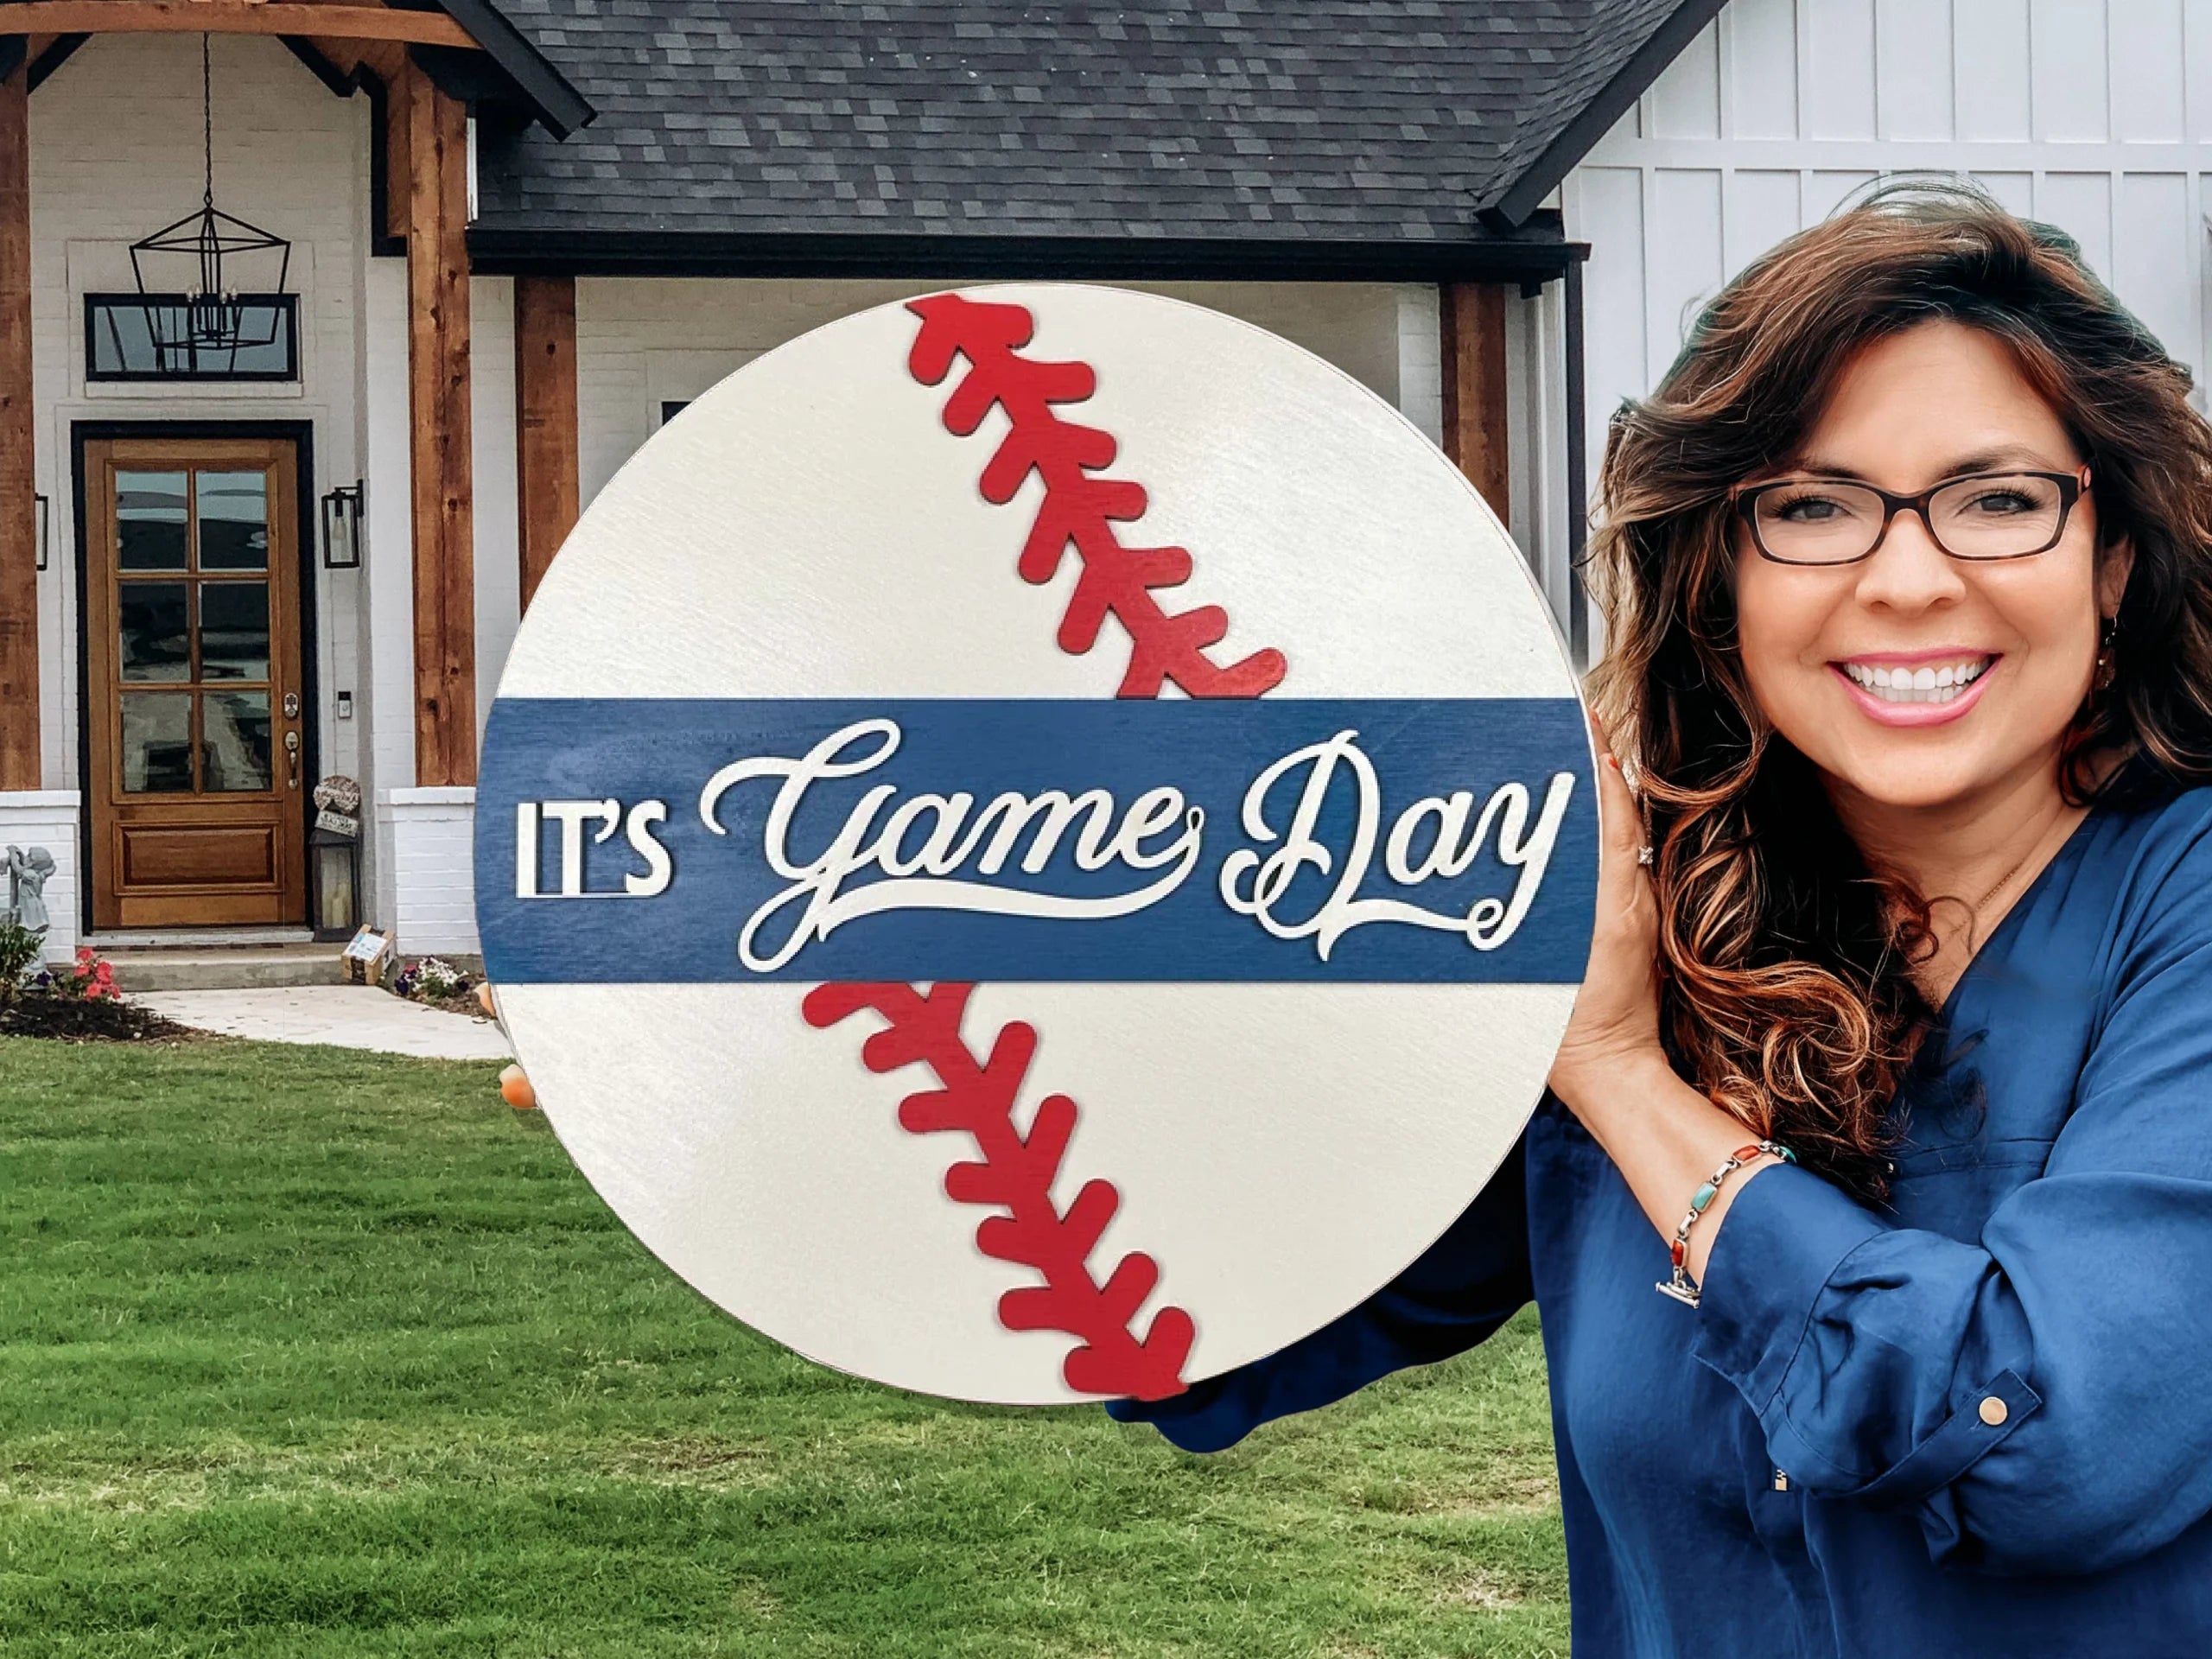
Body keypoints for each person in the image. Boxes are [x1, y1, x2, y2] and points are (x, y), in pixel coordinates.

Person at [1109, 182, 2212, 1656]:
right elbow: (1212, 1324)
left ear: (2113, 558)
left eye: (1999, 500)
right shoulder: (1645, 914)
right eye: (1811, 507)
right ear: (1719, 580)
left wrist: (1625, 1078)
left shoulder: (2177, 909)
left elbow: (2049, 1446)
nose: (1907, 579)